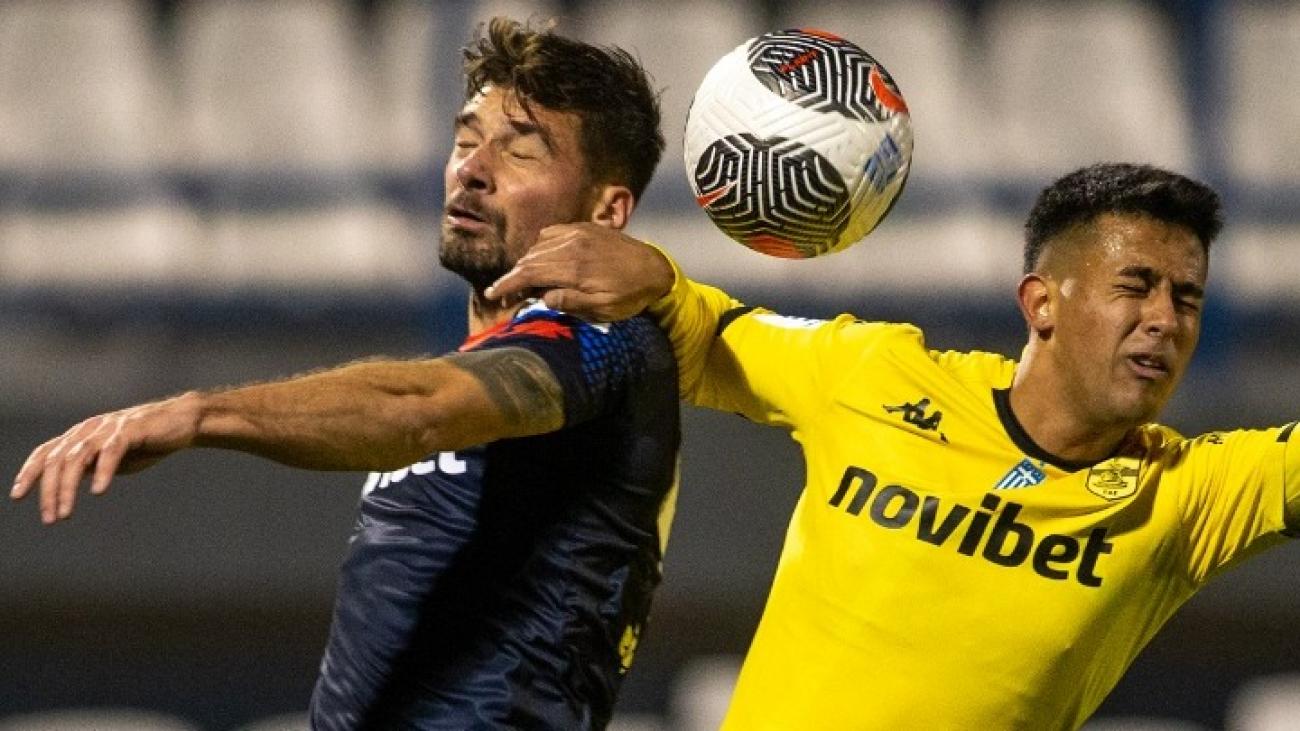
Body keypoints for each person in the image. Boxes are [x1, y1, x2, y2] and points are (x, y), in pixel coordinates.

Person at [10, 17, 679, 730]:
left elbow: (418, 410)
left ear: (607, 210)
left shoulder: (606, 341)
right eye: (464, 142)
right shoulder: (488, 357)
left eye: (519, 152)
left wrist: (198, 413)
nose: (472, 169)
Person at [488, 162, 1300, 729]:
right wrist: (653, 275)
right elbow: (711, 330)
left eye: (1187, 298)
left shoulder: (1189, 495)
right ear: (1041, 303)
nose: (1165, 319)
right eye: (1136, 286)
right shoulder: (876, 375)